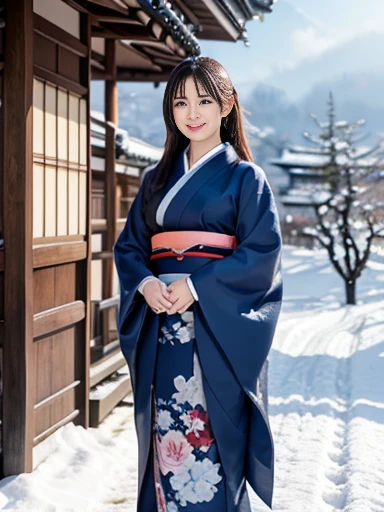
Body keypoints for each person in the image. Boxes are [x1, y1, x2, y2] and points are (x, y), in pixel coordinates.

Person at [114, 56, 283, 512]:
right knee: (166, 438)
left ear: (226, 106)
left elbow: (260, 253)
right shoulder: (155, 181)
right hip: (163, 329)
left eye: (205, 100)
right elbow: (130, 248)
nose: (193, 112)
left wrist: (199, 287)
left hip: (216, 333)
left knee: (212, 436)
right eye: (181, 101)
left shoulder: (247, 179)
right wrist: (146, 284)